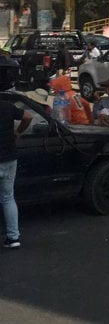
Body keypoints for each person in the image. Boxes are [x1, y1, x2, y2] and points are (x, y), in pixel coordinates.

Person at [0, 96, 33, 248]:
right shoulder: (6, 106)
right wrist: (18, 133)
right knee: (8, 197)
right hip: (8, 157)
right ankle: (13, 237)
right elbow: (28, 116)